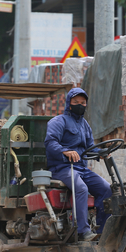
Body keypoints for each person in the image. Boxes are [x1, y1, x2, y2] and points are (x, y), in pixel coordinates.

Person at [44, 88, 113, 241]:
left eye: (83, 103)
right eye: (76, 102)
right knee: (81, 188)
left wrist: (101, 154)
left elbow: (89, 149)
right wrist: (65, 151)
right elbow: (50, 142)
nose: (80, 105)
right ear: (69, 104)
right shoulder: (58, 121)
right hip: (61, 168)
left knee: (106, 189)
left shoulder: (85, 125)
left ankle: (102, 231)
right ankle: (82, 231)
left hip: (81, 168)